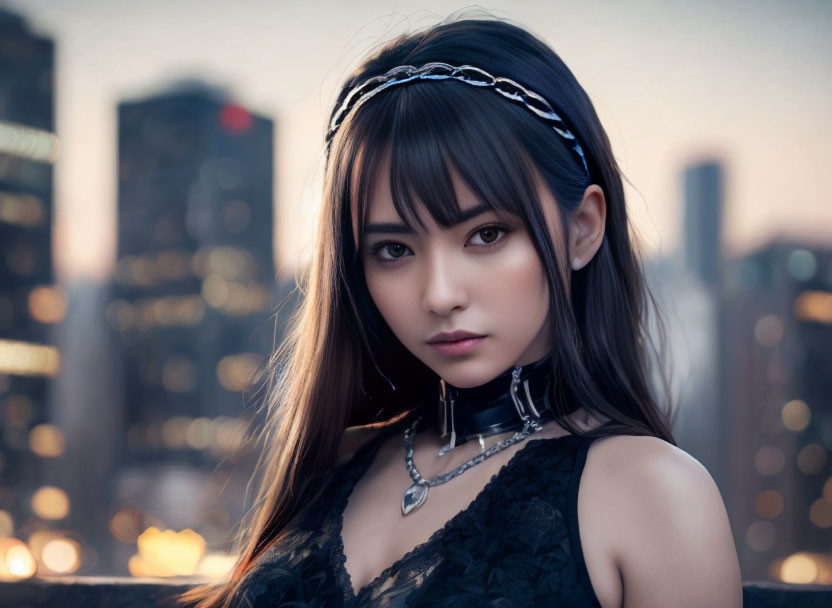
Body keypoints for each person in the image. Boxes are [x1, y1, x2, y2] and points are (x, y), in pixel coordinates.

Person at [180, 14, 742, 608]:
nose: (439, 294)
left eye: (486, 234)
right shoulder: (334, 463)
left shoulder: (653, 492)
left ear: (583, 228)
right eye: (393, 249)